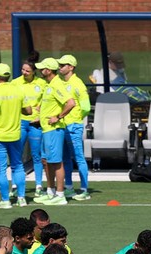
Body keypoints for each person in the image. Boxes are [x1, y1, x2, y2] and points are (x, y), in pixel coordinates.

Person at [33, 57, 76, 206]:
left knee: (56, 162)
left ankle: (60, 194)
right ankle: (51, 192)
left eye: (42, 68)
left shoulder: (57, 84)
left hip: (54, 130)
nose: (40, 70)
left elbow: (71, 103)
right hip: (47, 130)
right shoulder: (49, 85)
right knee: (47, 161)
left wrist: (58, 117)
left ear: (49, 70)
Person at [0, 63, 27, 208]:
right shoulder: (18, 90)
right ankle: (21, 198)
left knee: (1, 169)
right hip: (15, 134)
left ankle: (5, 200)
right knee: (18, 166)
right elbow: (28, 111)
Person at [57, 54, 92, 201]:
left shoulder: (78, 84)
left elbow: (86, 107)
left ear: (71, 67)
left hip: (73, 126)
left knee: (79, 158)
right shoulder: (61, 82)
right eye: (59, 65)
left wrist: (76, 119)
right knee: (65, 158)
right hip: (63, 125)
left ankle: (84, 190)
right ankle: (69, 187)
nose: (59, 67)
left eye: (62, 65)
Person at [12, 52, 46, 198]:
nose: (24, 73)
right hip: (20, 122)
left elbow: (47, 101)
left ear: (34, 72)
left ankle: (38, 185)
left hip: (36, 124)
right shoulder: (15, 83)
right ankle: (15, 185)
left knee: (36, 155)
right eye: (23, 70)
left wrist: (41, 111)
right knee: (17, 154)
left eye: (27, 71)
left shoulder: (41, 84)